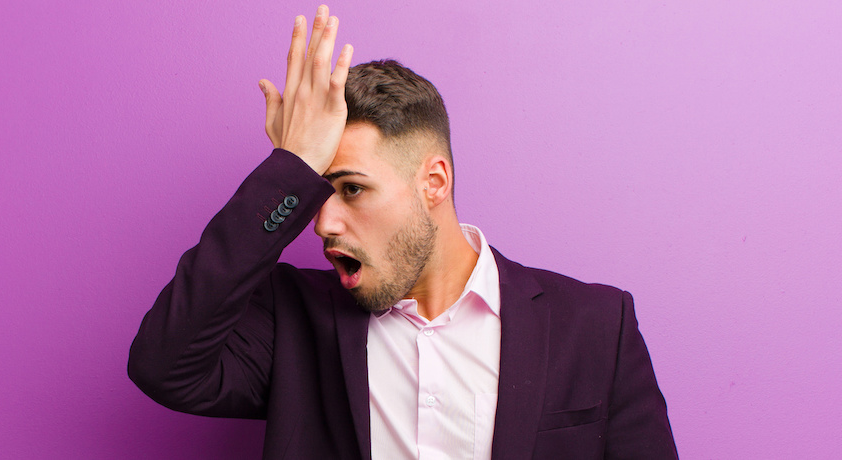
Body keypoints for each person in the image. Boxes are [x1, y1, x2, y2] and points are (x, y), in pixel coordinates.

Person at [127, 5, 677, 459]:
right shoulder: (292, 321)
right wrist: (289, 169)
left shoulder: (597, 326)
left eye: (351, 188)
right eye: (316, 193)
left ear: (434, 182)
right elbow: (162, 366)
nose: (322, 223)